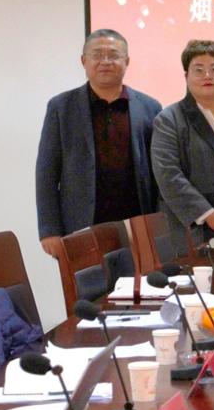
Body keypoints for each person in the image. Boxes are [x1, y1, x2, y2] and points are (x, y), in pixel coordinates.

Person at [35, 29, 161, 258]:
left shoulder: (150, 107)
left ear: (127, 61)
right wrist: (49, 230)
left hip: (137, 225)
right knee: (86, 282)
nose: (105, 61)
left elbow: (159, 174)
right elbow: (46, 172)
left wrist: (160, 224)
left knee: (141, 282)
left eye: (113, 55)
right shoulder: (61, 107)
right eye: (97, 55)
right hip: (80, 225)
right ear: (83, 60)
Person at [151, 40, 214, 256]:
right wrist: (207, 214)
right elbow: (168, 174)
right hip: (192, 229)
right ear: (186, 75)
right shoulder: (169, 119)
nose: (207, 76)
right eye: (198, 70)